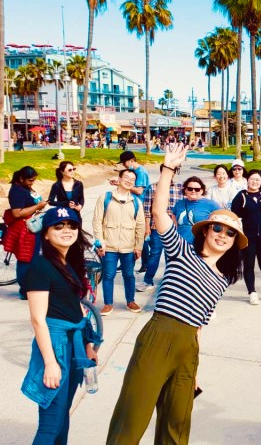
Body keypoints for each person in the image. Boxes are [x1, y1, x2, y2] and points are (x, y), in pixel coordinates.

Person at [106, 144, 248, 444]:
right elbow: (158, 212)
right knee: (133, 416)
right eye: (218, 230)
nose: (222, 236)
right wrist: (168, 170)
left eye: (230, 233)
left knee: (177, 424)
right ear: (206, 231)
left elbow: (198, 325)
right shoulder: (182, 251)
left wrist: (194, 367)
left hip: (187, 348)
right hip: (159, 335)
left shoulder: (222, 279)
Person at [21, 207, 101, 445]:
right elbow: (38, 319)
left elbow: (77, 307)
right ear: (45, 233)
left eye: (72, 225)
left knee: (63, 416)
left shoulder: (69, 263)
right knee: (51, 423)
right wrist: (50, 363)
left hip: (74, 342)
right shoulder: (40, 266)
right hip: (55, 345)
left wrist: (88, 344)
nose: (67, 230)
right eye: (59, 226)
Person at [92, 169, 146, 316]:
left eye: (133, 179)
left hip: (128, 247)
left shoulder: (136, 202)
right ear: (120, 179)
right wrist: (99, 243)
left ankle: (131, 301)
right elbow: (97, 221)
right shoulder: (106, 197)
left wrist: (139, 246)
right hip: (108, 245)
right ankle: (108, 304)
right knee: (108, 275)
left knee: (129, 275)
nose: (129, 181)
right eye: (126, 177)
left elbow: (140, 226)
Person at [231, 170, 261, 305]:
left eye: (257, 180)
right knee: (249, 265)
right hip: (248, 237)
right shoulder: (241, 196)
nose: (255, 182)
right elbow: (234, 217)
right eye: (252, 179)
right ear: (247, 180)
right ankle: (252, 292)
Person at [140, 164, 184, 291]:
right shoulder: (152, 187)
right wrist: (147, 227)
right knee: (154, 254)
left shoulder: (180, 188)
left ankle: (170, 280)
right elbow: (147, 209)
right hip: (156, 227)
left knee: (171, 256)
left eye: (172, 171)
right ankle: (148, 280)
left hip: (174, 228)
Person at [6, 166, 47, 299]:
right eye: (30, 180)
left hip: (32, 227)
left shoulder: (25, 188)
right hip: (24, 229)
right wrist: (38, 206)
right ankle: (24, 290)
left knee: (32, 258)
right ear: (21, 179)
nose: (32, 183)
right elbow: (17, 213)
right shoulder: (16, 191)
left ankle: (29, 287)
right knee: (25, 259)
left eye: (33, 180)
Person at [117, 151, 151, 273]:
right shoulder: (135, 172)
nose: (124, 166)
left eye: (125, 163)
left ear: (131, 160)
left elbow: (139, 191)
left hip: (140, 207)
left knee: (141, 236)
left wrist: (122, 184)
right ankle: (125, 262)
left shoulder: (140, 171)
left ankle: (145, 263)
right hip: (131, 205)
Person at [172, 177, 221, 243]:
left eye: (197, 189)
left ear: (202, 191)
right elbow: (174, 218)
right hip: (181, 244)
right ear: (185, 190)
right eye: (190, 189)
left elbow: (222, 218)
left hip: (201, 245)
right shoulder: (179, 204)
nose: (193, 191)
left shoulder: (211, 204)